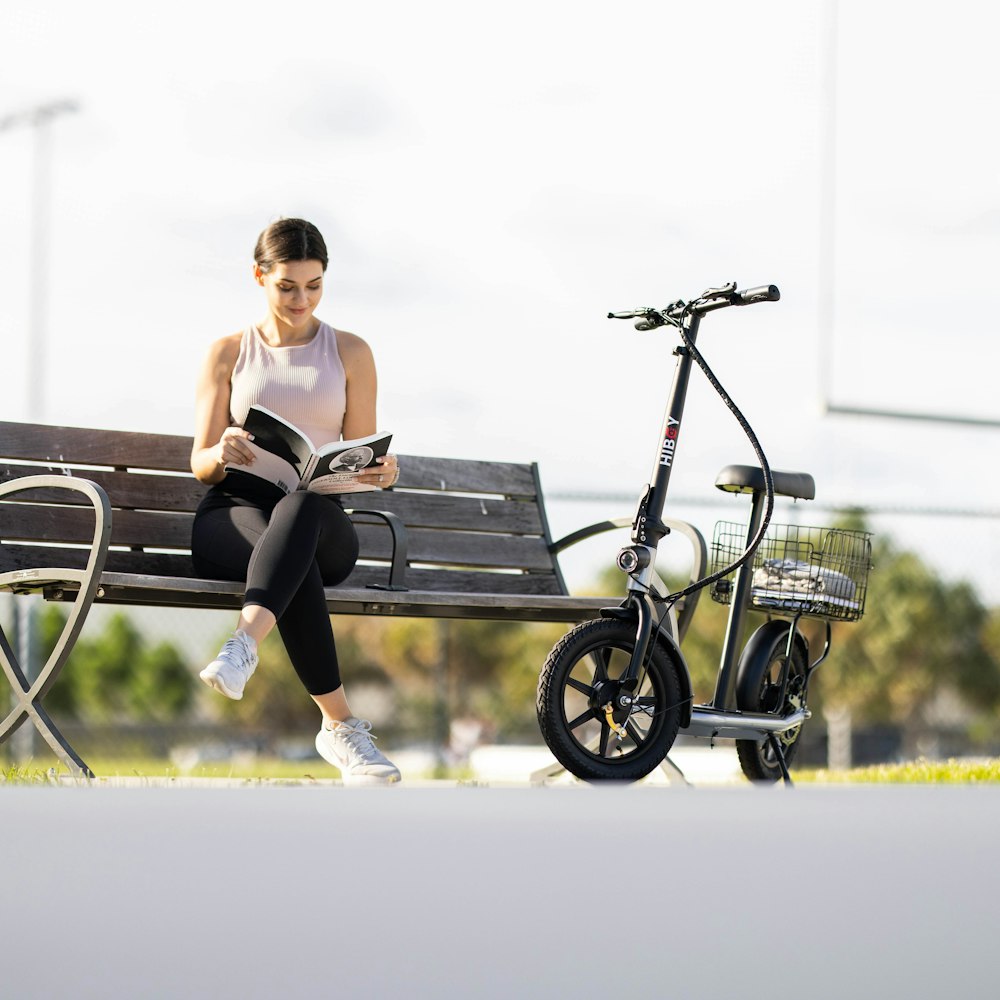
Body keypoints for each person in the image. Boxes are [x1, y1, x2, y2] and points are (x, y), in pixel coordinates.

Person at [189, 217, 401, 785]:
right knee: (291, 560)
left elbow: (359, 454)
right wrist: (223, 448)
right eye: (287, 286)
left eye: (313, 285)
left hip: (320, 512)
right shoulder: (227, 352)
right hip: (234, 511)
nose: (301, 298)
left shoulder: (351, 352)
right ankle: (341, 728)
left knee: (300, 515)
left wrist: (378, 473)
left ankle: (242, 645)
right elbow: (200, 464)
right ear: (259, 276)